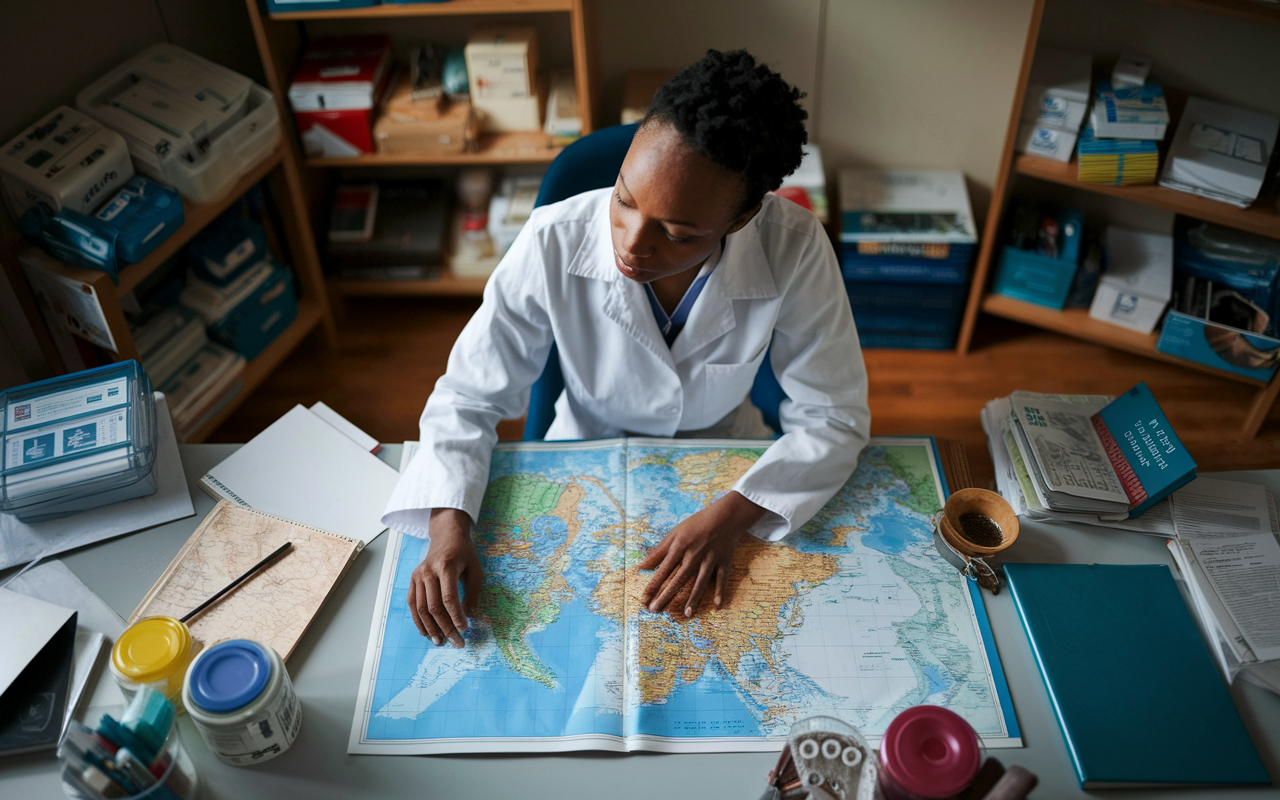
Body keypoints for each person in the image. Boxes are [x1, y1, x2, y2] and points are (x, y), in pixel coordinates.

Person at [384, 49, 870, 648]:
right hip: (584, 450)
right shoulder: (553, 239)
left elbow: (833, 416)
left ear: (743, 218)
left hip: (721, 458)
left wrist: (733, 515)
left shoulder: (795, 246)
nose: (632, 245)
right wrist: (447, 525)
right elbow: (468, 395)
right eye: (624, 198)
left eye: (677, 233)